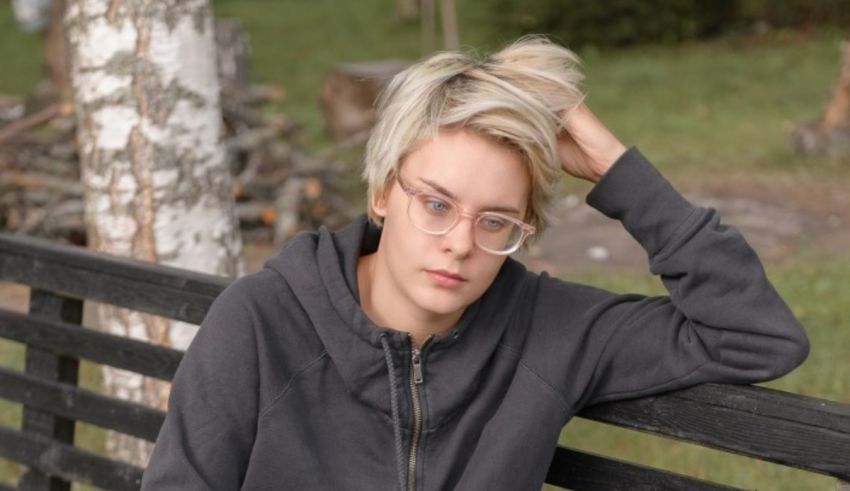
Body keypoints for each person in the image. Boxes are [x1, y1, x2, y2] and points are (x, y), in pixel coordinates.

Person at [141, 36, 809, 491]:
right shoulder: (262, 322)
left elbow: (755, 335)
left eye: (495, 221)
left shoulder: (549, 328)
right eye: (435, 204)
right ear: (382, 191)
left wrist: (613, 168)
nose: (461, 242)